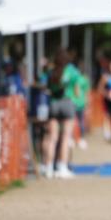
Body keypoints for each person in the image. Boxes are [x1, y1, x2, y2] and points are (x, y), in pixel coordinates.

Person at [40, 48, 84, 179]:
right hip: (67, 103)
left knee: (51, 137)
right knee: (65, 137)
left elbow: (44, 86)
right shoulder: (72, 71)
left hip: (53, 104)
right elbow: (77, 91)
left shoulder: (50, 72)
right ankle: (62, 167)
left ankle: (48, 168)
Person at [68, 50, 91, 150]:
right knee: (72, 121)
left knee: (80, 121)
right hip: (72, 101)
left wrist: (88, 103)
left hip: (80, 102)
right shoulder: (73, 76)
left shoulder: (84, 78)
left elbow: (87, 91)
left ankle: (80, 138)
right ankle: (72, 138)